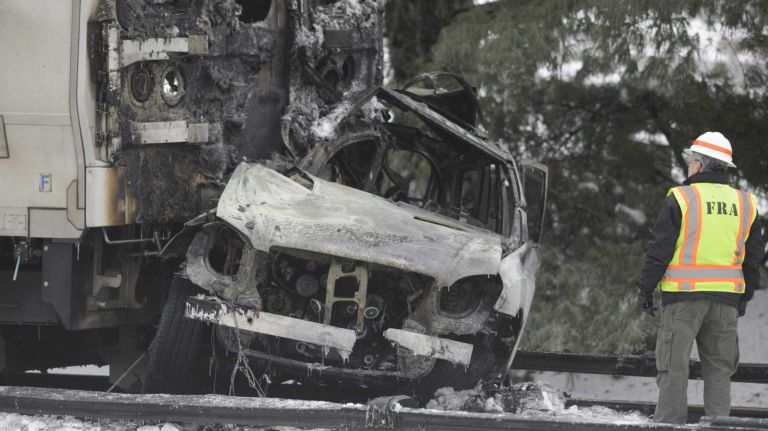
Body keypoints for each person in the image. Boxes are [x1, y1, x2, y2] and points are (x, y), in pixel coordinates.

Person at [637, 131, 764, 424]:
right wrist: (744, 296)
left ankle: (669, 425)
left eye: (691, 161)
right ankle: (720, 425)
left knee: (673, 369)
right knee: (720, 371)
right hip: (725, 303)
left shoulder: (682, 198)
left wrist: (645, 289)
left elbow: (659, 250)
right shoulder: (746, 204)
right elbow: (753, 256)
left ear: (698, 165)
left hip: (683, 300)